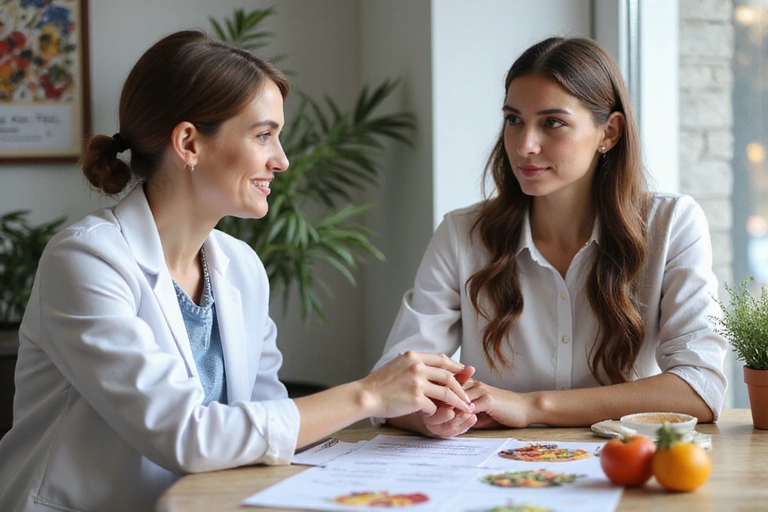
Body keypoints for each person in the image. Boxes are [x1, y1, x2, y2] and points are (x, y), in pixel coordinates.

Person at [0, 30, 474, 512]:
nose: (282, 160)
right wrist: (369, 396)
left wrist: (405, 416)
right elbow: (185, 435)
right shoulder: (84, 261)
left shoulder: (240, 266)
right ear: (188, 143)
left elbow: (269, 423)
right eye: (264, 135)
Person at [372, 36, 728, 439]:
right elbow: (389, 385)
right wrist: (433, 416)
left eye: (552, 123)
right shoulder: (462, 234)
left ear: (608, 132)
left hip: (624, 468)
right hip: (492, 474)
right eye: (514, 120)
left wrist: (530, 406)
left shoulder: (672, 223)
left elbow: (701, 388)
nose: (525, 145)